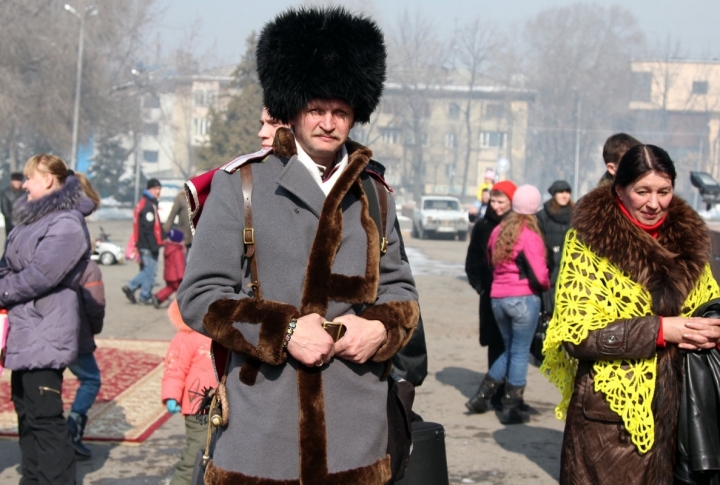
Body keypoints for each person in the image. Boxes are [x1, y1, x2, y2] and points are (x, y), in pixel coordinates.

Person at [177, 7, 419, 484]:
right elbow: (200, 297)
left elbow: (402, 296)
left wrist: (379, 329)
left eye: (341, 111)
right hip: (264, 426)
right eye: (316, 108)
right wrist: (285, 332)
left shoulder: (374, 194)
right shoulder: (239, 185)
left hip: (355, 431)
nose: (329, 123)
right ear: (293, 108)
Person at [542, 144, 720, 484]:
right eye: (643, 191)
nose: (654, 203)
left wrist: (712, 328)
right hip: (612, 425)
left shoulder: (691, 241)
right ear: (620, 189)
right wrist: (660, 331)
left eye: (664, 191)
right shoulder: (587, 243)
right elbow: (577, 336)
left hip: (687, 416)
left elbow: (710, 303)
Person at [2, 154, 93, 484]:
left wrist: (2, 290)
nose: (23, 184)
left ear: (49, 180)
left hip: (46, 331)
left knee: (45, 419)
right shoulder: (30, 219)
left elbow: (41, 275)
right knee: (26, 414)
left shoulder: (66, 223)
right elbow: (8, 264)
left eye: (29, 177)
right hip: (24, 332)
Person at [474, 184, 549, 424]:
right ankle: (511, 407)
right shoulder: (529, 234)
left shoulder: (499, 231)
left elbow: (488, 261)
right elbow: (540, 275)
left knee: (509, 351)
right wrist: (545, 288)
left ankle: (481, 396)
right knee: (518, 354)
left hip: (498, 298)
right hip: (523, 299)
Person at [465, 180, 516, 411]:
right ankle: (496, 394)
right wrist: (481, 287)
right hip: (490, 295)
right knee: (496, 343)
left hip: (517, 293)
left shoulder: (519, 225)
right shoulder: (483, 226)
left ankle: (513, 395)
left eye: (501, 201)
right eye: (493, 201)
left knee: (516, 346)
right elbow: (472, 261)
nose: (496, 206)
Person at [67, 173, 105, 459]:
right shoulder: (73, 222)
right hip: (71, 318)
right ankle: (71, 429)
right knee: (91, 378)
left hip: (45, 318)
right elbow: (94, 305)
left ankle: (53, 433)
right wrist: (93, 329)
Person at [161, 300, 216, 485]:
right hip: (197, 408)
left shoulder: (223, 335)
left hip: (225, 404)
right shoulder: (187, 336)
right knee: (195, 453)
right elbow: (174, 369)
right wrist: (171, 396)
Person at [536, 180, 574, 318]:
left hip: (570, 269)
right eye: (560, 192)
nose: (564, 195)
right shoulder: (542, 216)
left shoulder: (576, 215)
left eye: (567, 192)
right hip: (550, 268)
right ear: (553, 194)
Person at [123, 178, 162, 305]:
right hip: (147, 245)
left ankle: (144, 294)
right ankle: (133, 288)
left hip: (143, 243)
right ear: (149, 189)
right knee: (150, 271)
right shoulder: (148, 206)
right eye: (156, 189)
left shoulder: (146, 203)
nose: (158, 191)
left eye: (159, 188)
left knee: (148, 270)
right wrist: (153, 245)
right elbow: (147, 229)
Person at [152, 228, 186, 308]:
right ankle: (182, 305)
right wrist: (182, 276)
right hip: (176, 276)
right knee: (180, 291)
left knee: (170, 288)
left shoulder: (168, 248)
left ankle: (158, 297)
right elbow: (179, 265)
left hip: (169, 275)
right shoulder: (177, 251)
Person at [1, 172, 24, 237]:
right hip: (10, 224)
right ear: (12, 181)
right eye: (15, 181)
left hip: (23, 222)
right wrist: (13, 221)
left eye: (18, 181)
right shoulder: (6, 193)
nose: (16, 183)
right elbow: (5, 209)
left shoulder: (25, 193)